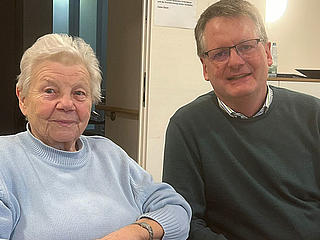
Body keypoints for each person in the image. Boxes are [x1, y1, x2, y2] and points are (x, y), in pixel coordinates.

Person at [0, 33, 191, 240]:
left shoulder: (109, 154)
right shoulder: (6, 160)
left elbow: (176, 209)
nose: (66, 104)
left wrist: (137, 232)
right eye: (50, 91)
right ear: (23, 98)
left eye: (79, 93)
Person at [162, 0, 320, 239]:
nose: (235, 61)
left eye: (246, 47)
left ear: (267, 53)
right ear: (205, 67)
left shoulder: (313, 114)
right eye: (220, 54)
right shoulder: (187, 126)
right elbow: (186, 219)